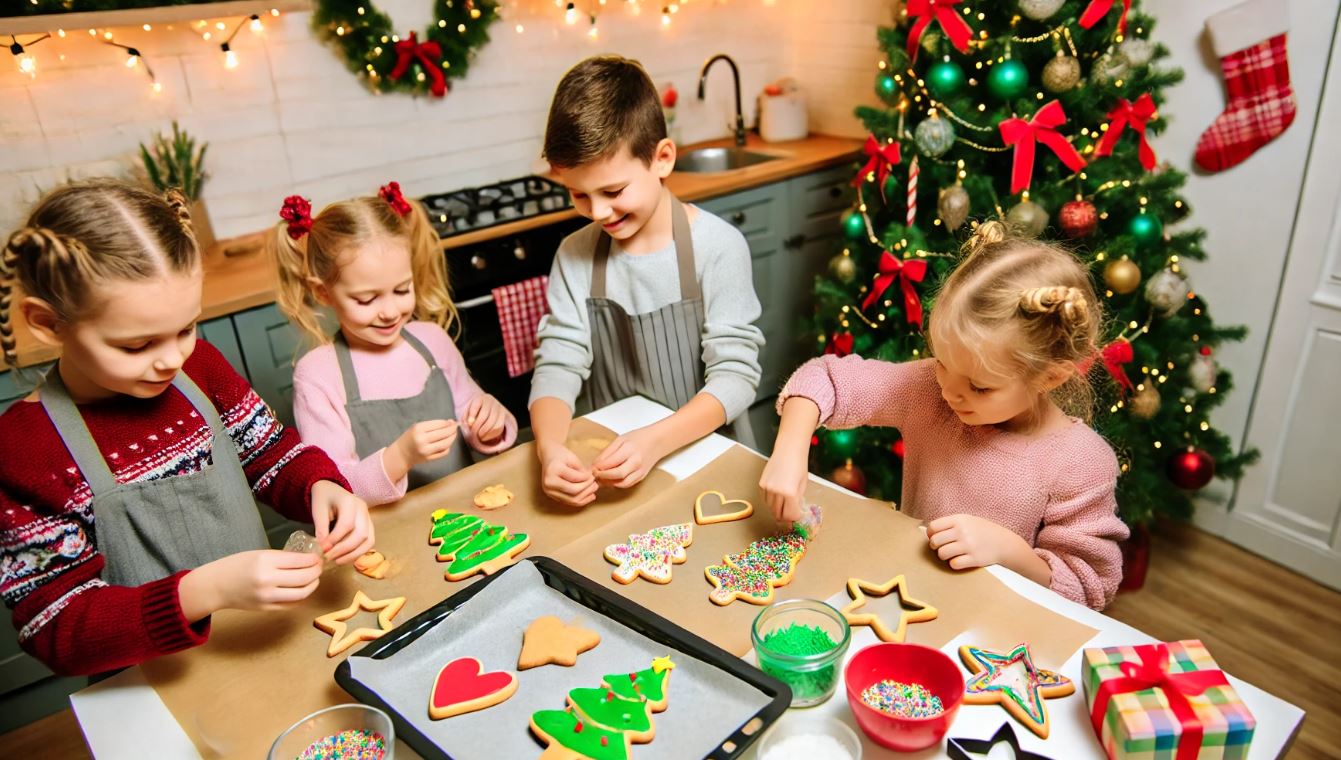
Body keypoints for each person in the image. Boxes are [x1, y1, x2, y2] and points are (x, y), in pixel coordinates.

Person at [0, 180, 372, 675]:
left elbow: (269, 454)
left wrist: (319, 486)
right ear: (48, 324)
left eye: (186, 328)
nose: (172, 358)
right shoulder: (25, 449)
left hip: (265, 649)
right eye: (137, 346)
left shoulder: (201, 368)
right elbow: (55, 628)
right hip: (147, 690)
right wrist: (204, 591)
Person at [760, 221, 1129, 609]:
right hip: (910, 599)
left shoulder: (1081, 462)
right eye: (940, 362)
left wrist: (1012, 552)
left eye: (980, 386)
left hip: (998, 631)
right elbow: (825, 378)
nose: (951, 393)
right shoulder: (931, 391)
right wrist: (789, 449)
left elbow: (1090, 590)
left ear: (1050, 376)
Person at [530, 55, 766, 507]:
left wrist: (656, 441)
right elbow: (559, 362)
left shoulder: (717, 247)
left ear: (662, 158)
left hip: (708, 461)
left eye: (614, 192)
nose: (598, 213)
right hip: (614, 470)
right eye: (579, 194)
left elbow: (735, 376)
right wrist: (550, 448)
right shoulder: (574, 255)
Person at [272, 183, 517, 505]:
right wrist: (400, 456)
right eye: (366, 299)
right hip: (388, 538)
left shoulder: (433, 341)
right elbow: (333, 487)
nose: (390, 312)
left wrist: (491, 426)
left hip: (468, 518)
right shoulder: (318, 375)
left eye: (402, 291)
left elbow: (473, 417)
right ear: (323, 293)